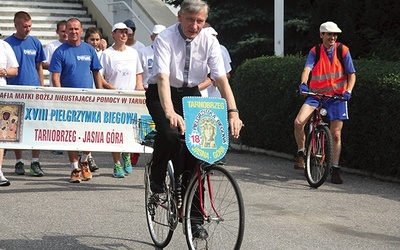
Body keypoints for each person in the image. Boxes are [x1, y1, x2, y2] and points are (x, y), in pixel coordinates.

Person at [145, 0, 243, 238]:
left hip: (191, 94)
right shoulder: (165, 39)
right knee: (169, 134)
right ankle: (157, 178)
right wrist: (169, 112)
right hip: (161, 92)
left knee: (197, 156)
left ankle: (195, 218)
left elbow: (221, 80)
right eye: (191, 20)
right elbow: (163, 79)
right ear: (179, 16)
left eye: (200, 21)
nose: (195, 25)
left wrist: (234, 112)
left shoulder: (210, 41)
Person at [293, 21, 356, 184]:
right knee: (299, 122)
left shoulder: (343, 50)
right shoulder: (315, 51)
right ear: (322, 35)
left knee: (335, 134)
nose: (333, 37)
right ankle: (301, 153)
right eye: (329, 34)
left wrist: (348, 91)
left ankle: (335, 169)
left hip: (337, 97)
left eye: (335, 35)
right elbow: (307, 69)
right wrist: (303, 84)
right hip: (316, 95)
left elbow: (352, 74)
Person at [49, 17, 103, 183]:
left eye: (76, 29)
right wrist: (59, 97)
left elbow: (96, 73)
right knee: (70, 136)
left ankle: (85, 161)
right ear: (66, 31)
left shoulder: (89, 50)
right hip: (69, 101)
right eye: (70, 29)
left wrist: (101, 94)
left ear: (81, 31)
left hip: (89, 100)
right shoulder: (60, 51)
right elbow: (55, 77)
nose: (73, 32)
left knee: (89, 134)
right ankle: (75, 169)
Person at [99, 22, 144, 178]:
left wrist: (139, 85)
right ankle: (117, 163)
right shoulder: (107, 54)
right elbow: (100, 77)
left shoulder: (133, 53)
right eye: (121, 32)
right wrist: (112, 89)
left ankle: (126, 153)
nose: (124, 35)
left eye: (126, 32)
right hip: (114, 100)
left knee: (130, 131)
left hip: (131, 99)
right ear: (113, 34)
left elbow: (139, 73)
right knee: (115, 132)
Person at [5, 11, 46, 177]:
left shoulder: (35, 42)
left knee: (36, 127)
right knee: (15, 128)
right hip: (15, 91)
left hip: (34, 91)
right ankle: (19, 161)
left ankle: (35, 162)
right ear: (16, 25)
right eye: (24, 26)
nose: (28, 29)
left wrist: (42, 87)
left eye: (30, 26)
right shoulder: (7, 44)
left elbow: (40, 67)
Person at [83, 26, 109, 172]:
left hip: (97, 93)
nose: (94, 42)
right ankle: (88, 157)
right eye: (92, 39)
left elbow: (102, 74)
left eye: (97, 39)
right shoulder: (85, 52)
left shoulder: (103, 54)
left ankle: (87, 155)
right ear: (86, 40)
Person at [0, 39, 19, 186]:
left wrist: (4, 71)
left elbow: (14, 70)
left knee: (0, 135)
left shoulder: (4, 45)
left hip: (1, 95)